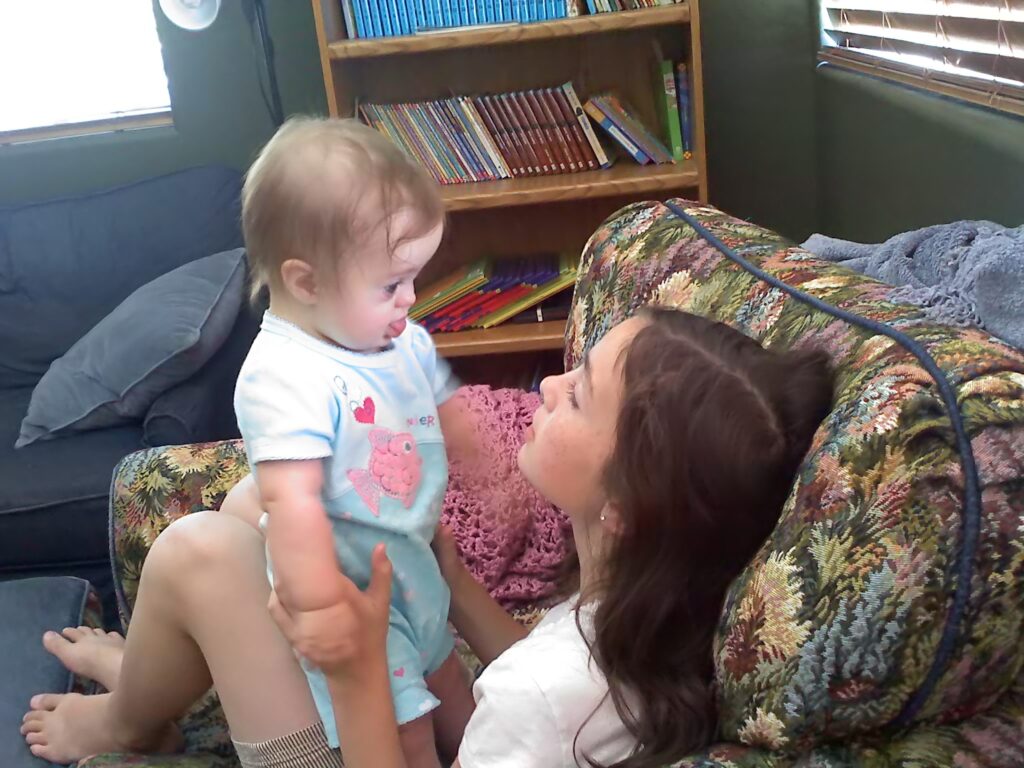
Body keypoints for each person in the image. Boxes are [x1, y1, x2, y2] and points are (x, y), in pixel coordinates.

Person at [22, 308, 835, 768]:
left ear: (626, 504)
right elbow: (532, 668)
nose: (550, 384)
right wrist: (448, 578)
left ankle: (128, 722)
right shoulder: (644, 613)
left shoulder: (545, 694)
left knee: (198, 552)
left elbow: (529, 695)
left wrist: (356, 671)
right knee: (251, 505)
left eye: (580, 395)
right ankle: (148, 684)